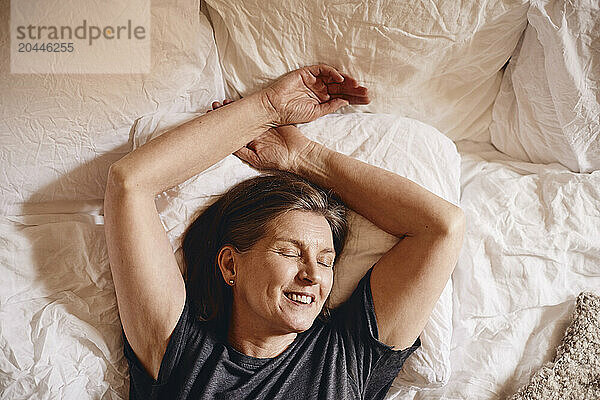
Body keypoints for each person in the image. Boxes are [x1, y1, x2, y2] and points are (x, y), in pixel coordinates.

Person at [104, 64, 465, 399]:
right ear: (230, 265)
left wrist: (303, 157)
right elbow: (129, 184)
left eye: (326, 261)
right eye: (291, 252)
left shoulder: (348, 357)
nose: (312, 276)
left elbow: (440, 228)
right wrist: (269, 107)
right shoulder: (182, 353)